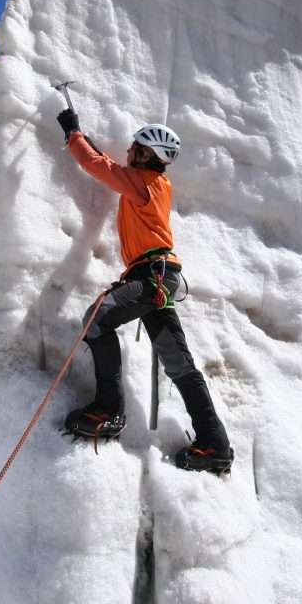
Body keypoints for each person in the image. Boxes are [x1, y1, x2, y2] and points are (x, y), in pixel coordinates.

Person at [56, 109, 234, 475]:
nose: (130, 150)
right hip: (160, 277)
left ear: (149, 154)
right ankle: (215, 444)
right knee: (180, 365)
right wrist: (87, 142)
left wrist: (73, 133)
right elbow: (108, 166)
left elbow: (98, 168)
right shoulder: (149, 183)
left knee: (97, 317)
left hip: (152, 275)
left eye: (136, 146)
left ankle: (109, 411)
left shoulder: (143, 181)